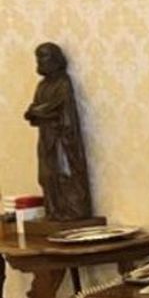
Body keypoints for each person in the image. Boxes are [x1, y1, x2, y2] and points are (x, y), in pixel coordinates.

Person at [25, 42, 93, 222]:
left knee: (65, 173)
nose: (40, 61)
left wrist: (38, 111)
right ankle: (53, 210)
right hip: (46, 137)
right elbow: (35, 108)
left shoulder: (63, 82)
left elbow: (57, 108)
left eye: (44, 57)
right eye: (38, 58)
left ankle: (72, 211)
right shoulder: (42, 86)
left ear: (55, 59)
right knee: (47, 175)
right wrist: (34, 111)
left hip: (62, 138)